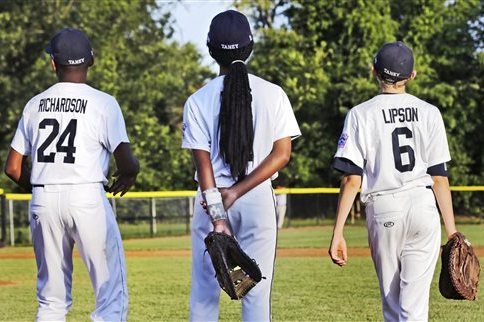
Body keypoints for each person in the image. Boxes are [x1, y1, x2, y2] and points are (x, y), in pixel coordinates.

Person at [4, 28, 139, 322]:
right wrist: (130, 174)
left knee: (51, 301)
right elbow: (126, 161)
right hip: (87, 196)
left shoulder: (34, 105)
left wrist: (44, 187)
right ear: (91, 60)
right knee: (109, 296)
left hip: (43, 198)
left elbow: (13, 168)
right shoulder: (103, 102)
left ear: (53, 63)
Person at [181, 10, 300, 322]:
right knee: (256, 292)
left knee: (205, 292)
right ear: (250, 47)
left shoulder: (197, 100)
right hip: (256, 198)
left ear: (210, 50)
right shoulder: (274, 94)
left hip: (210, 201)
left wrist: (219, 212)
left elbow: (203, 163)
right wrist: (237, 191)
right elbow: (282, 155)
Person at [328, 41, 457, 322]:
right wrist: (452, 233)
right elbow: (439, 178)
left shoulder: (360, 114)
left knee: (393, 306)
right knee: (415, 307)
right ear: (413, 75)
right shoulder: (429, 112)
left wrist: (338, 232)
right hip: (424, 208)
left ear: (374, 70)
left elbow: (351, 179)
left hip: (384, 208)